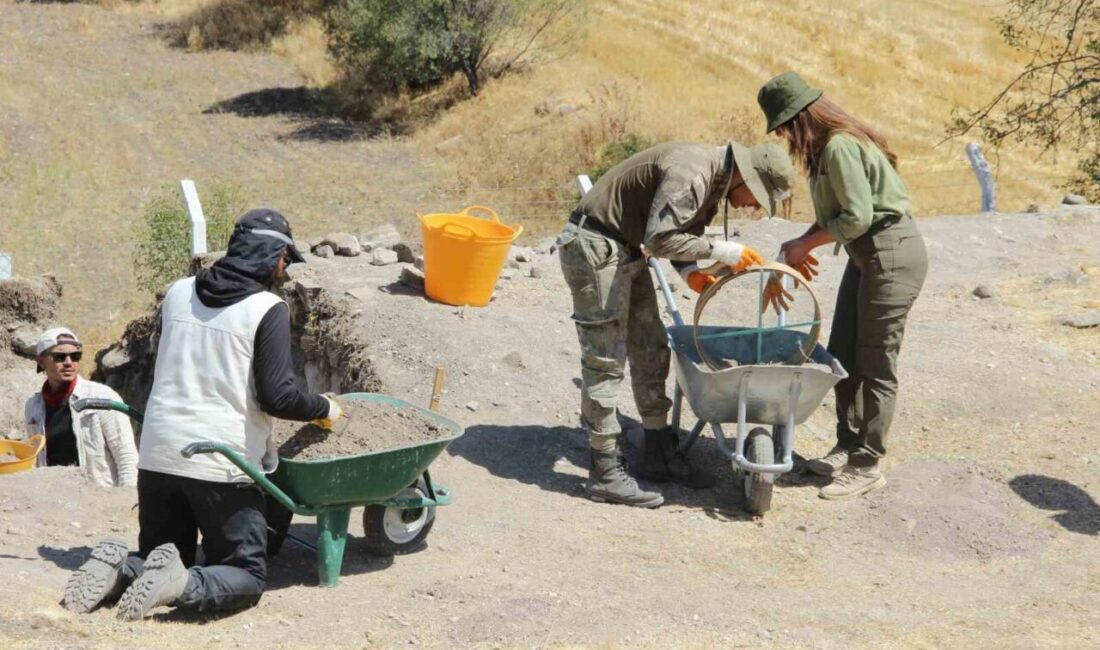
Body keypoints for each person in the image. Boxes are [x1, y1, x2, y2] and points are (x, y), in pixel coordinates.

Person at [63, 209, 343, 620]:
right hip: (219, 463)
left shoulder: (178, 292)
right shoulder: (267, 309)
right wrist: (324, 407)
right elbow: (278, 396)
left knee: (164, 553)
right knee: (245, 573)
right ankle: (183, 584)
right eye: (284, 260)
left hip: (158, 455)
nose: (284, 271)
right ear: (271, 254)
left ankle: (121, 569)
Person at [560, 140, 797, 507]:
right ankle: (604, 471)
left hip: (623, 247)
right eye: (756, 195)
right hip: (596, 246)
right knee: (605, 359)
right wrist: (724, 252)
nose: (752, 206)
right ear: (744, 176)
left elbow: (681, 236)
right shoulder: (694, 171)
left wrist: (690, 273)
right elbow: (660, 237)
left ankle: (657, 453)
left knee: (651, 346)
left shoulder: (714, 181)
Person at [757, 72, 928, 499]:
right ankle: (847, 445)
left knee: (875, 360)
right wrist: (799, 244)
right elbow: (838, 214)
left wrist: (807, 244)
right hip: (865, 254)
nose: (781, 135)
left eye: (782, 125)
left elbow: (856, 217)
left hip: (890, 253)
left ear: (800, 118)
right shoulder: (826, 151)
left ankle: (867, 462)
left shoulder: (838, 147)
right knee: (844, 351)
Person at [23, 327, 137, 486]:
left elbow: (126, 457)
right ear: (41, 361)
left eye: (75, 356)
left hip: (97, 499)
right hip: (54, 499)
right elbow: (36, 460)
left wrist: (126, 501)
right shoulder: (33, 407)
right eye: (59, 357)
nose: (69, 362)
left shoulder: (102, 397)